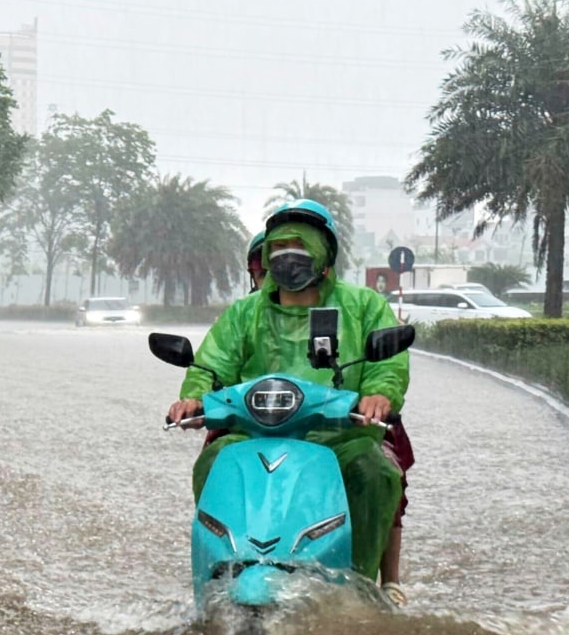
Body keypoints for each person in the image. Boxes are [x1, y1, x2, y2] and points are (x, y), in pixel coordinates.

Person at [168, 198, 410, 594]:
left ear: (324, 254)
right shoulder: (244, 313)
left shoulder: (363, 305)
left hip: (341, 438)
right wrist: (193, 399)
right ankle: (214, 576)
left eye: (299, 245)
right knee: (212, 460)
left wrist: (378, 395)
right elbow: (212, 364)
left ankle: (361, 585)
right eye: (278, 247)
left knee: (375, 472)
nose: (287, 256)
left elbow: (388, 364)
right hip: (253, 435)